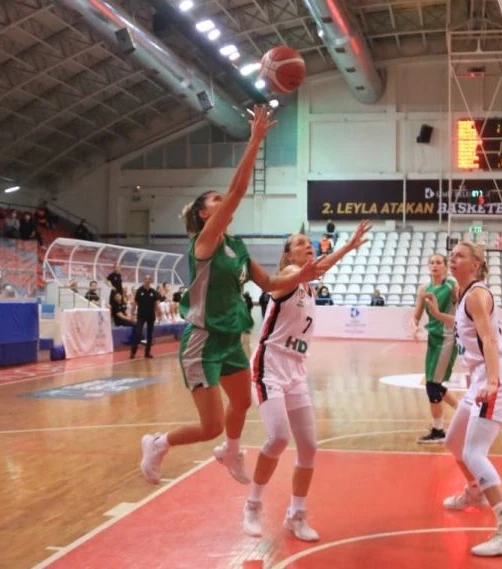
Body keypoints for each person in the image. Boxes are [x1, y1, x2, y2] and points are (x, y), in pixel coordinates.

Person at [139, 106, 322, 486]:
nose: (224, 202)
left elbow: (268, 283)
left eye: (222, 199)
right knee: (210, 426)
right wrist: (255, 141)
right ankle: (158, 443)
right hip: (202, 339)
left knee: (241, 403)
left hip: (230, 337)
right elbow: (239, 191)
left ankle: (231, 451)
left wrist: (304, 274)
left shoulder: (236, 246)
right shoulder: (204, 242)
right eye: (216, 200)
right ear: (204, 215)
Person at [243, 221, 371, 542]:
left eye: (308, 242)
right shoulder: (288, 276)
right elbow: (295, 277)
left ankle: (296, 514)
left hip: (296, 370)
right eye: (300, 243)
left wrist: (348, 247)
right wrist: (345, 248)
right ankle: (253, 505)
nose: (308, 245)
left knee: (309, 447)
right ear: (288, 255)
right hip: (270, 366)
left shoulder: (309, 285)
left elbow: (319, 269)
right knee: (277, 438)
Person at [424, 242, 502, 557]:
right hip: (479, 379)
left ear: (476, 264)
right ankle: (475, 491)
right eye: (451, 255)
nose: (452, 259)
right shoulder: (464, 294)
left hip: (495, 378)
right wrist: (436, 315)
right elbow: (464, 329)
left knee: (473, 452)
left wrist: (493, 380)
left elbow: (489, 338)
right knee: (454, 442)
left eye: (460, 256)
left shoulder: (477, 295)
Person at [411, 254, 459, 444]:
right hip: (433, 338)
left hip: (447, 338)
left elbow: (461, 301)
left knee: (432, 385)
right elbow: (415, 316)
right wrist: (415, 327)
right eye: (431, 263)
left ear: (445, 266)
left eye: (439, 262)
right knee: (434, 383)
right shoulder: (424, 289)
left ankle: (438, 430)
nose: (434, 265)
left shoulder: (451, 285)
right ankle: (465, 412)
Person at [131, 275, 158, 359]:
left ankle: (147, 352)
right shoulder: (139, 291)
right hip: (141, 315)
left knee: (150, 334)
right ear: (144, 280)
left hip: (150, 315)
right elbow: (135, 303)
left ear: (151, 281)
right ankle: (133, 352)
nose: (147, 280)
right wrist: (132, 314)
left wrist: (158, 313)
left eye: (149, 279)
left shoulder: (153, 291)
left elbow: (155, 304)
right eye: (145, 279)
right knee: (138, 332)